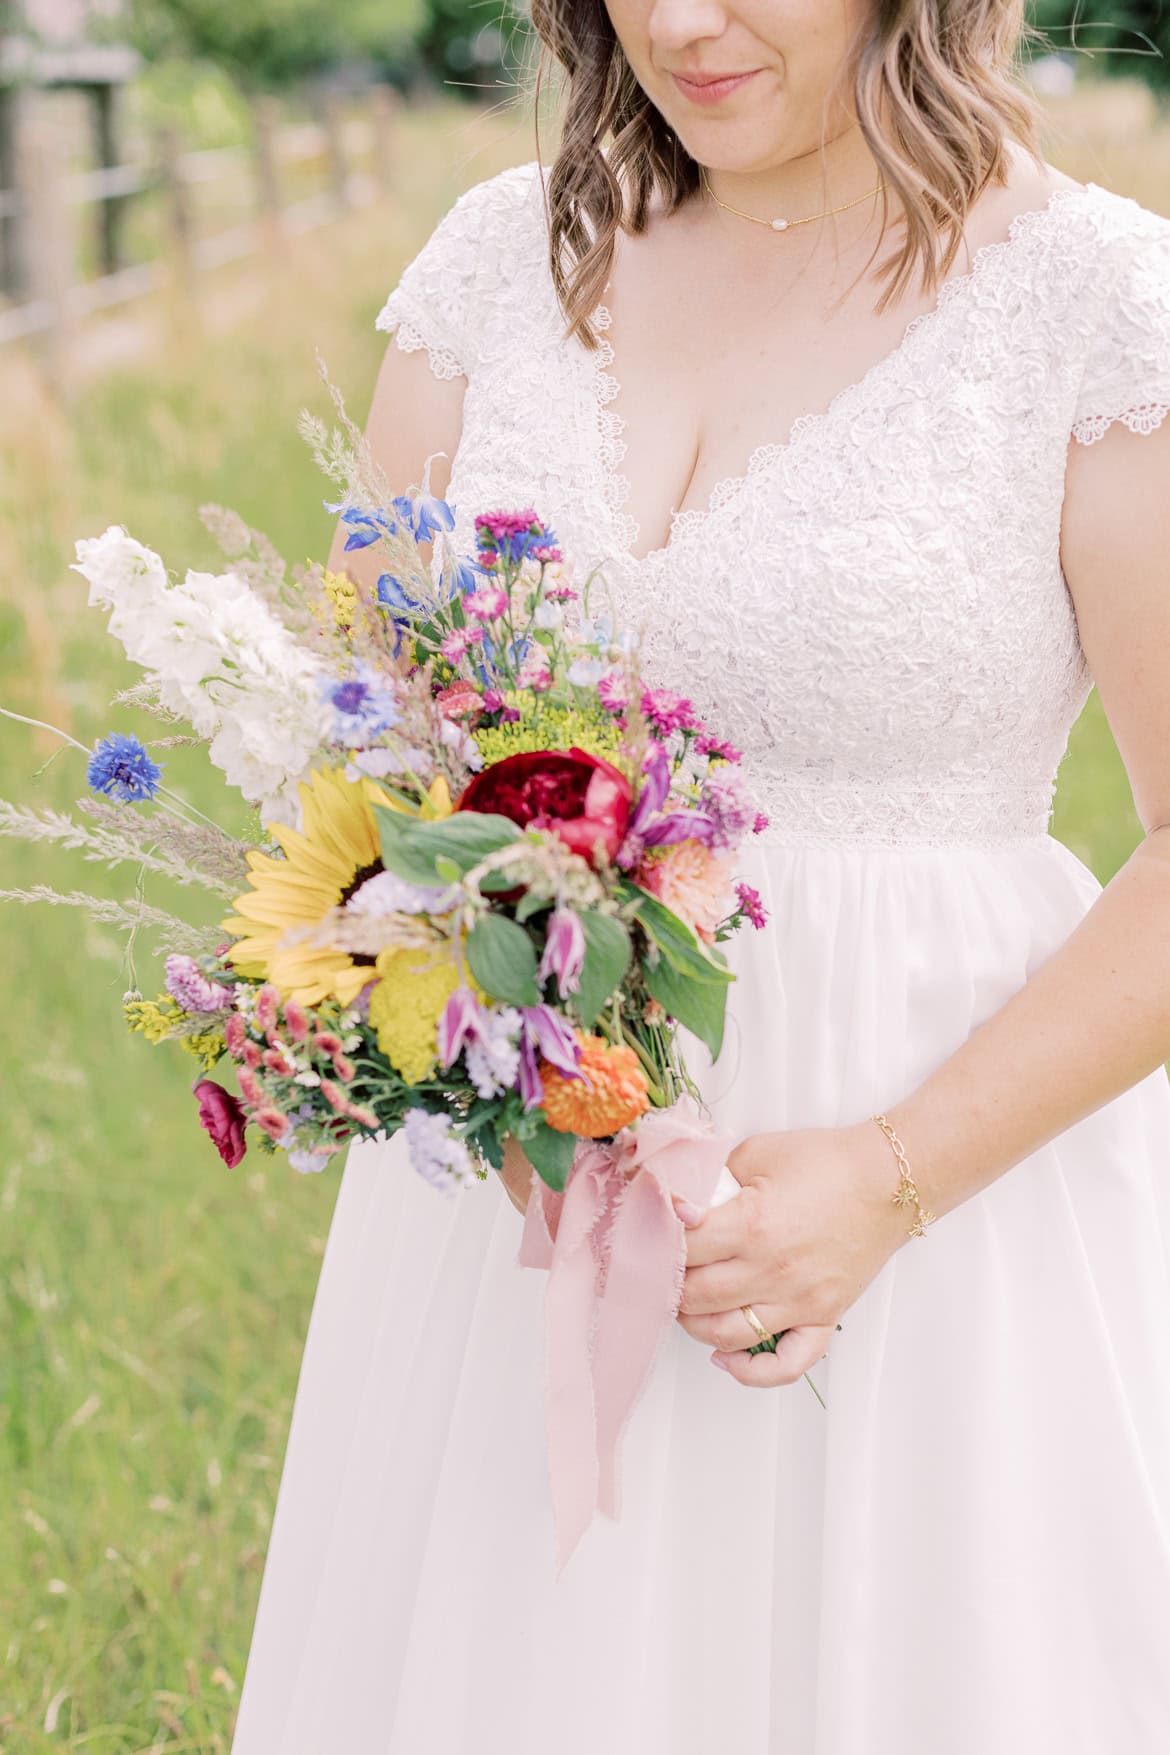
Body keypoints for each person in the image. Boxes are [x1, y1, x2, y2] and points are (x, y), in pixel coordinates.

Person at [230, 1, 1170, 1749]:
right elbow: (364, 743)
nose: (675, 22)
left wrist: (887, 1182)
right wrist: (468, 1052)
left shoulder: (1096, 308)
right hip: (524, 1183)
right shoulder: (499, 263)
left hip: (934, 1185)